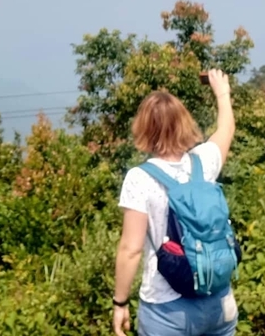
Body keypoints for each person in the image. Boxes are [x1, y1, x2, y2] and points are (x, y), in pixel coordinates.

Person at [112, 69, 238, 336]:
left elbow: (131, 250)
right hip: (219, 302)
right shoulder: (204, 162)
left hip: (166, 311)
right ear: (184, 122)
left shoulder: (139, 178)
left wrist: (120, 303)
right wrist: (222, 92)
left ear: (144, 127)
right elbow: (226, 128)